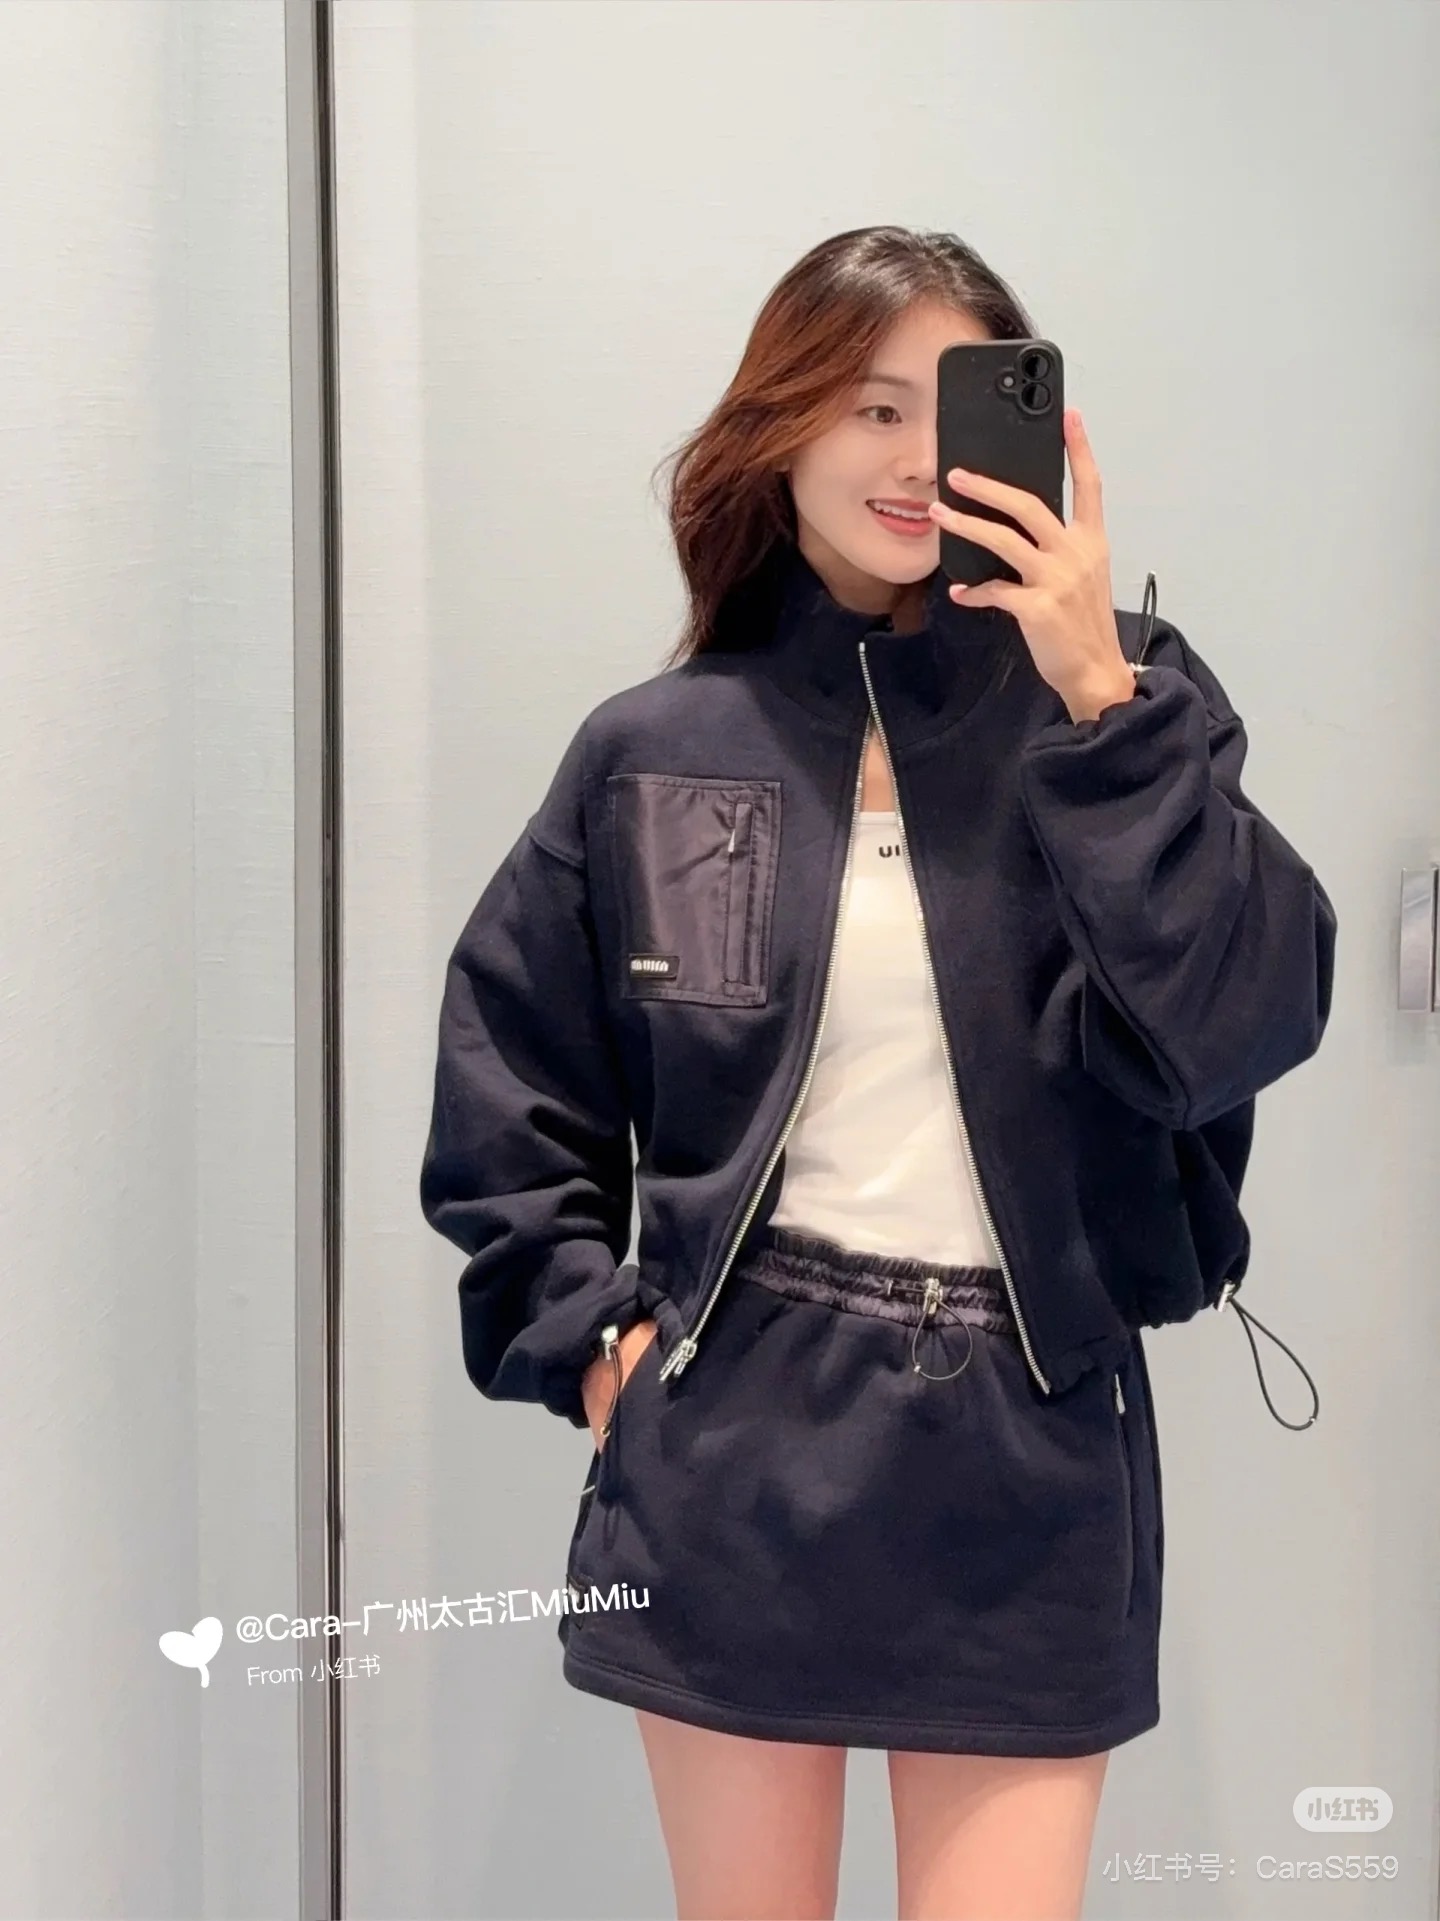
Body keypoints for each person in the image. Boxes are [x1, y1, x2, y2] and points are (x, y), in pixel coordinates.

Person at [419, 225, 1335, 1921]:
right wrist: (599, 1349)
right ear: (779, 428)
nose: (916, 460)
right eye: (870, 406)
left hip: (1030, 1437)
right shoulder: (657, 750)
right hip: (740, 1444)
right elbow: (510, 1077)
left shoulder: (1125, 704)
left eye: (954, 408)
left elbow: (1247, 1013)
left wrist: (1099, 691)